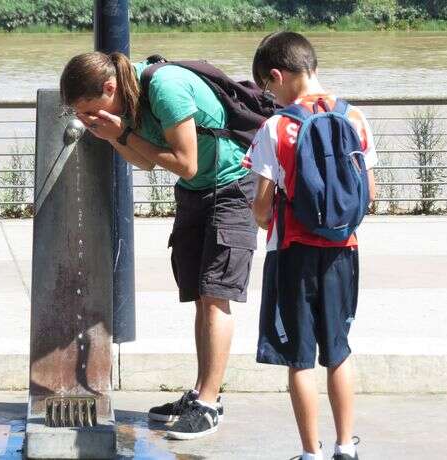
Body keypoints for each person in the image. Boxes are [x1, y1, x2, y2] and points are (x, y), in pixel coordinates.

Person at [60, 51, 260, 439]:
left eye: (87, 110)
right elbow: (148, 163)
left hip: (233, 187)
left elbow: (184, 162)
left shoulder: (165, 88)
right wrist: (116, 135)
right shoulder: (130, 96)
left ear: (108, 88)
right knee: (201, 296)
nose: (85, 119)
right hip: (197, 191)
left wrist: (124, 133)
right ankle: (203, 393)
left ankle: (208, 404)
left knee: (216, 295)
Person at [246, 32, 377, 460]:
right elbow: (369, 193)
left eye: (269, 87)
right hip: (344, 249)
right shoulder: (355, 117)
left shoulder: (276, 126)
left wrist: (266, 213)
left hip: (292, 254)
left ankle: (310, 453)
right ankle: (345, 447)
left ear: (278, 75)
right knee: (338, 351)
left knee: (300, 358)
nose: (270, 95)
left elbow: (263, 208)